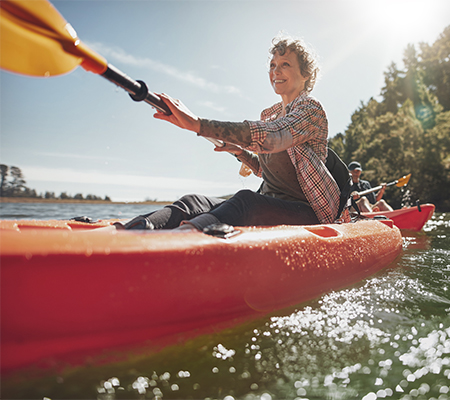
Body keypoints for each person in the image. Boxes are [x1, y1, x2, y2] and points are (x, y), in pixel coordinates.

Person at [115, 34, 349, 232]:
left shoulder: (310, 110)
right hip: (270, 203)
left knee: (246, 201)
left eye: (285, 64)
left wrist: (198, 124)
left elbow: (274, 137)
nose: (276, 71)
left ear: (306, 74)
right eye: (272, 65)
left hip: (308, 214)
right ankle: (132, 231)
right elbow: (269, 172)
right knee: (193, 201)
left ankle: (185, 237)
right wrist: (240, 152)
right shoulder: (270, 114)